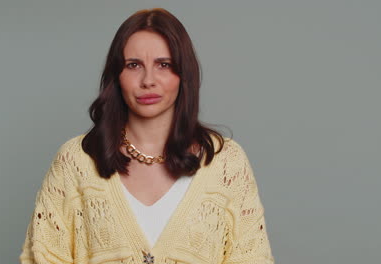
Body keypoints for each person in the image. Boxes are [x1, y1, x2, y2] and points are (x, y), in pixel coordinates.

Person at [19, 8, 274, 264]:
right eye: (133, 65)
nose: (148, 80)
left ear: (184, 74)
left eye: (164, 65)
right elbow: (42, 256)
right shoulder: (75, 162)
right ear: (117, 76)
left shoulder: (226, 163)